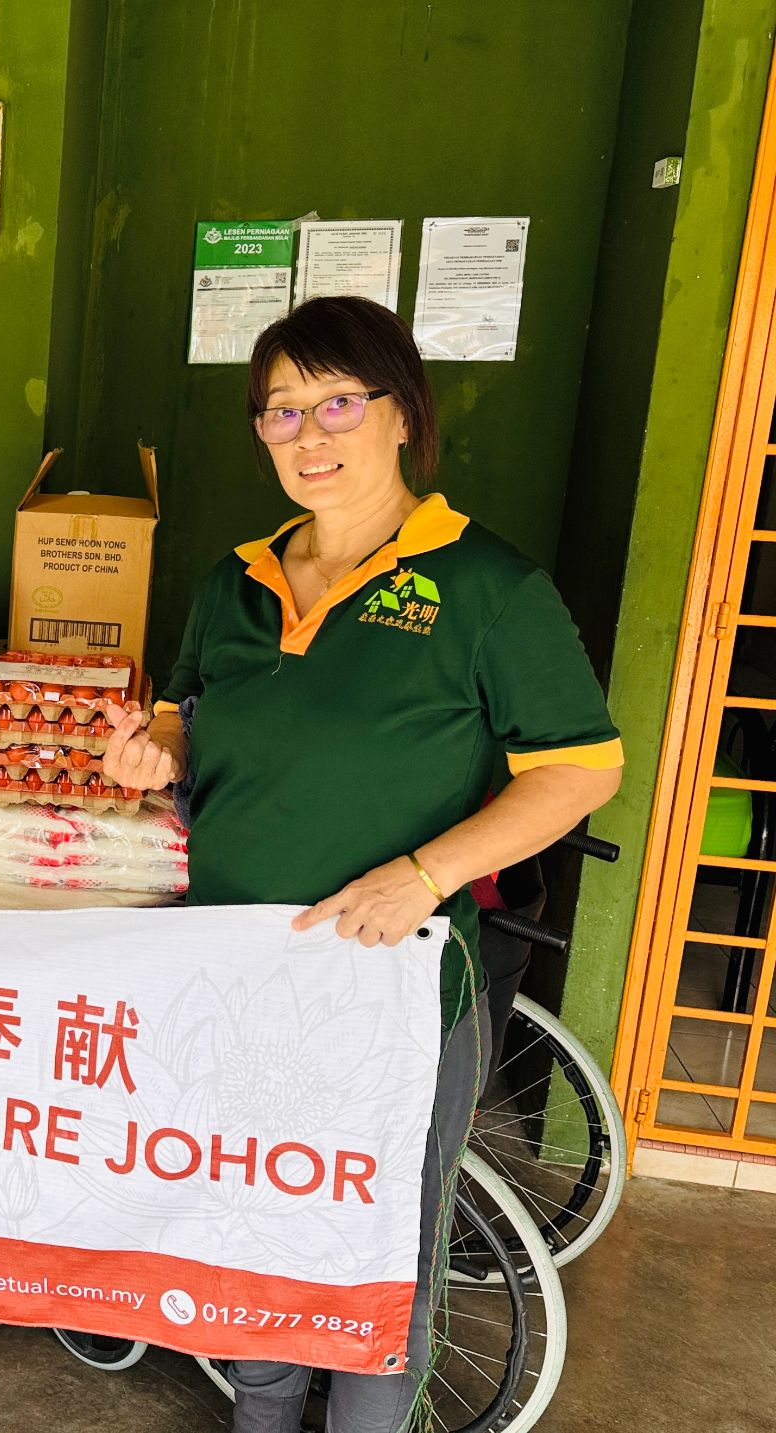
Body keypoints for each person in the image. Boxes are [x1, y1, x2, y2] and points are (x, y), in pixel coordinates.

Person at [104, 295, 623, 1433]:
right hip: (239, 971)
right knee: (251, 1212)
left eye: (339, 401)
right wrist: (159, 746)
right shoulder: (235, 579)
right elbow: (189, 706)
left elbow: (581, 769)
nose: (309, 434)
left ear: (403, 414)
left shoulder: (487, 588)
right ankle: (261, 1413)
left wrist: (426, 872)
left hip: (395, 982)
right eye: (281, 410)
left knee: (378, 1240)